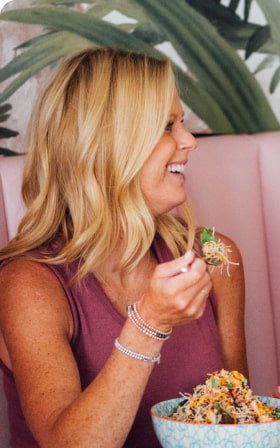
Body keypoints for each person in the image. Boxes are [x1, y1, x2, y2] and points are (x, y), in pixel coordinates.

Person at [0, 48, 252, 447]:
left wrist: (259, 424)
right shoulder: (28, 285)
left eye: (181, 122)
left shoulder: (215, 255)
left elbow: (237, 418)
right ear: (108, 146)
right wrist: (148, 324)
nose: (189, 141)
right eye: (167, 126)